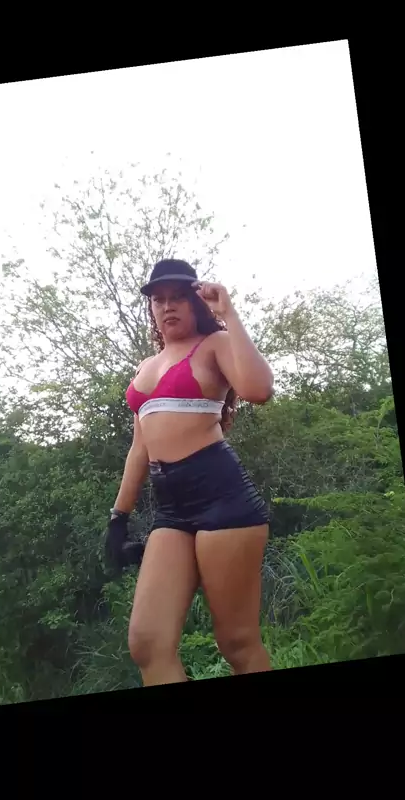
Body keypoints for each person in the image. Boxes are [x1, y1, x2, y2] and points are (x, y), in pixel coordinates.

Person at [104, 258, 275, 686]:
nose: (168, 306)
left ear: (195, 302)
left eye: (178, 297)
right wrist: (118, 517)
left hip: (222, 498)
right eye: (159, 299)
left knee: (237, 643)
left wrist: (229, 313)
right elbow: (139, 448)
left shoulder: (214, 344)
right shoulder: (146, 367)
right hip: (170, 510)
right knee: (147, 643)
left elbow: (258, 390)